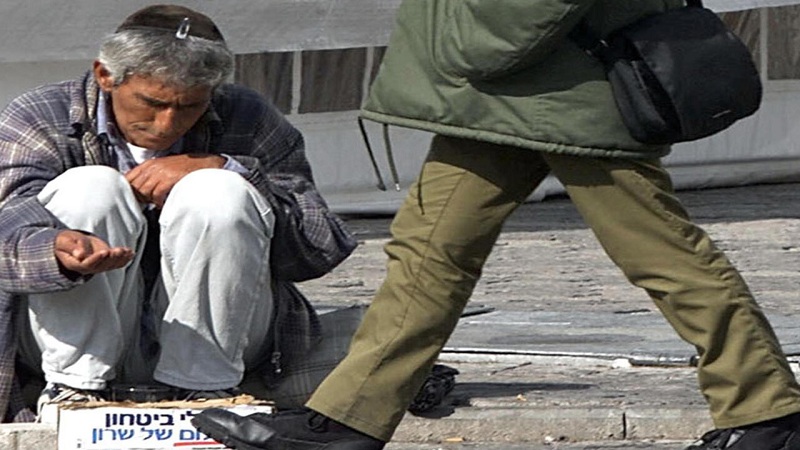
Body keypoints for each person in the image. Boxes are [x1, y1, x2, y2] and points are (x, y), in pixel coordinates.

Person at [192, 1, 800, 449]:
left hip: (559, 87)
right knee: (428, 256)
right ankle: (346, 419)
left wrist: (474, 44)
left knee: (664, 255)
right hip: (511, 95)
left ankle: (767, 411)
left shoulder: (500, 56)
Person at [0, 4, 356, 422]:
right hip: (59, 348)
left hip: (230, 349)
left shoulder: (248, 115)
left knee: (219, 190)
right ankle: (75, 391)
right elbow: (6, 235)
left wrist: (229, 168)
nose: (167, 123)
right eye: (151, 103)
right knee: (92, 187)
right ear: (105, 75)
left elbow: (318, 249)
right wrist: (54, 247)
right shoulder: (41, 116)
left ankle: (206, 389)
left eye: (190, 107)